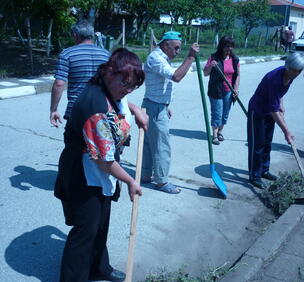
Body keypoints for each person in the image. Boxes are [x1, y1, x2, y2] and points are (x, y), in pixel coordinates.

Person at [54, 48, 147, 282]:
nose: (126, 90)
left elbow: (122, 98)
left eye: (132, 86)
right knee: (85, 230)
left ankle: (99, 268)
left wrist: (135, 110)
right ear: (109, 72)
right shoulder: (95, 107)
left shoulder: (107, 88)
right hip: (85, 172)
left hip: (96, 167)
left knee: (100, 224)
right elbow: (105, 161)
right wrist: (130, 180)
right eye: (124, 83)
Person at [141, 31, 199, 194]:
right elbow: (176, 77)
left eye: (180, 49)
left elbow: (160, 85)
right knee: (161, 145)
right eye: (176, 48)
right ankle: (161, 181)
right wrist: (190, 57)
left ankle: (145, 175)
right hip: (154, 107)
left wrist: (166, 106)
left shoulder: (162, 58)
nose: (178, 52)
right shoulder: (156, 58)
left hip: (156, 105)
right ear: (165, 45)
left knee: (150, 143)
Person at [247, 53, 304, 189]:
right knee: (258, 144)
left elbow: (279, 94)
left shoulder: (289, 76)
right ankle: (254, 175)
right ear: (288, 67)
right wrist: (286, 131)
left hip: (270, 110)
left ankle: (264, 170)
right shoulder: (275, 78)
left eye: (300, 71)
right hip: (258, 110)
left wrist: (281, 103)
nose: (297, 73)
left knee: (267, 142)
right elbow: (273, 109)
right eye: (295, 70)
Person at [50, 19, 111, 127]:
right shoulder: (107, 55)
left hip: (77, 110)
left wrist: (53, 109)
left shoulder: (67, 54)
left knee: (74, 143)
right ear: (92, 35)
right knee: (98, 143)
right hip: (102, 110)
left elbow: (59, 84)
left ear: (75, 35)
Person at [203, 36, 240, 145]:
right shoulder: (214, 57)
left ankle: (220, 132)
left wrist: (236, 89)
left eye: (231, 46)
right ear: (222, 46)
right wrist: (211, 65)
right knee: (217, 113)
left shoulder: (235, 59)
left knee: (225, 114)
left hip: (229, 90)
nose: (229, 48)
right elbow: (205, 73)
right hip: (216, 90)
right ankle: (214, 135)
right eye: (226, 46)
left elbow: (237, 75)